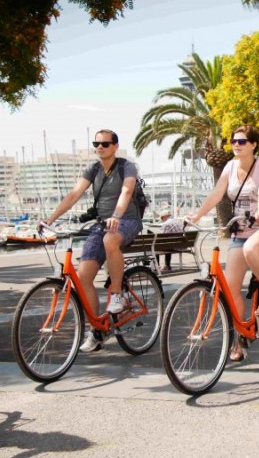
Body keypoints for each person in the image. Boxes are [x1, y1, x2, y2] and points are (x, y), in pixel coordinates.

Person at [187, 125, 259, 362]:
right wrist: (197, 216)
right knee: (230, 289)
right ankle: (240, 338)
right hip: (240, 232)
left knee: (252, 249)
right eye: (233, 141)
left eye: (241, 141)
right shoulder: (229, 166)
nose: (236, 145)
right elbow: (217, 193)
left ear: (253, 144)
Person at [44, 129, 142, 353]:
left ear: (115, 146)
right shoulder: (94, 169)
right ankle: (97, 330)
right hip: (101, 223)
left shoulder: (126, 167)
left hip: (127, 220)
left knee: (110, 240)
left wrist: (116, 215)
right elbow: (73, 195)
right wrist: (50, 219)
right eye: (96, 144)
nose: (100, 147)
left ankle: (116, 294)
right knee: (83, 277)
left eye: (105, 144)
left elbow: (127, 191)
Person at [158, 207, 183, 273]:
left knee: (156, 247)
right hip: (181, 245)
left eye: (162, 218)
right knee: (169, 244)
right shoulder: (177, 222)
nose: (162, 220)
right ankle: (167, 265)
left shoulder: (166, 224)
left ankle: (157, 266)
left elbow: (163, 236)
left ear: (164, 217)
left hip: (173, 246)